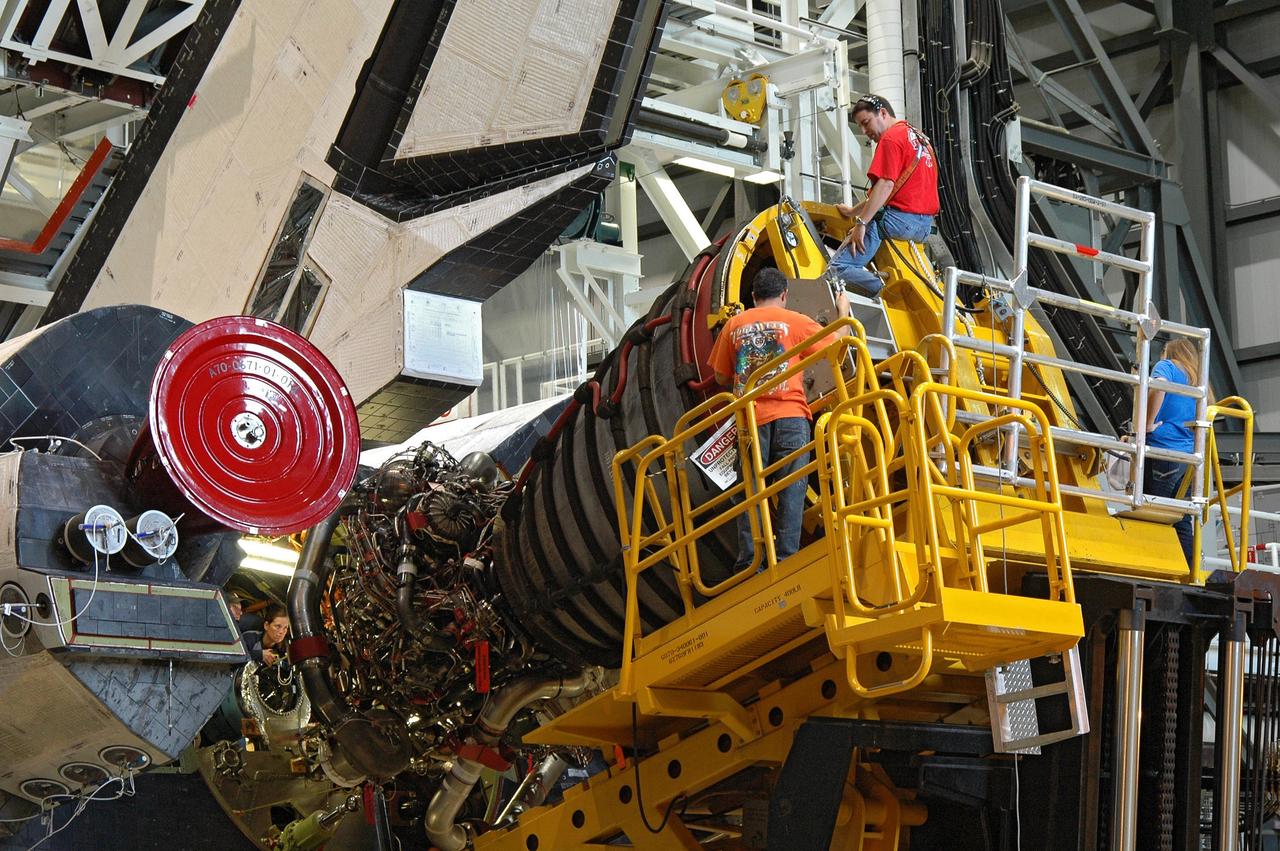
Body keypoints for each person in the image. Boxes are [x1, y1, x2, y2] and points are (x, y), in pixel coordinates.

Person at [709, 268, 850, 570]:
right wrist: (843, 312)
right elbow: (836, 346)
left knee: (751, 490)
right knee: (792, 487)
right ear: (784, 294)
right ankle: (786, 559)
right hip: (791, 416)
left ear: (752, 296)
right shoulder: (796, 321)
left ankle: (752, 559)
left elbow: (720, 375)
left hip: (750, 420)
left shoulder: (734, 324)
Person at [827, 94, 939, 297]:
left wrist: (861, 224)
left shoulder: (891, 138)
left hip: (899, 222)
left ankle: (886, 290)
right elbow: (883, 192)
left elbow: (886, 185)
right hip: (923, 228)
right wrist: (852, 211)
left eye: (866, 123)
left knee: (836, 270)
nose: (864, 131)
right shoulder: (921, 139)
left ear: (883, 113)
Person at [1141, 339, 1204, 565]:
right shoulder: (1197, 378)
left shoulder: (1167, 366)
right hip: (1187, 459)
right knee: (1181, 520)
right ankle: (1190, 571)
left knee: (1154, 514)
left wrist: (1146, 425)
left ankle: (1157, 566)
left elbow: (1159, 385)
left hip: (1163, 451)